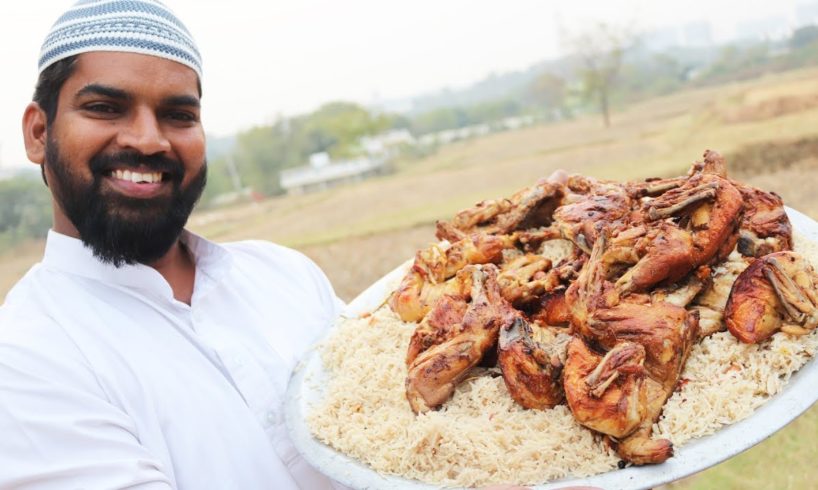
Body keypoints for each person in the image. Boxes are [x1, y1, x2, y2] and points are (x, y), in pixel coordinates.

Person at [0, 1, 347, 488]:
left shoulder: (285, 275)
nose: (147, 141)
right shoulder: (27, 357)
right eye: (104, 108)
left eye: (178, 115)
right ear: (39, 133)